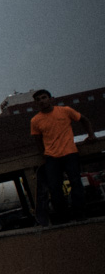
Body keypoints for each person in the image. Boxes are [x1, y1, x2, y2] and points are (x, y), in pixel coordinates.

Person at [30, 89, 96, 223]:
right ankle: (63, 217)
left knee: (76, 183)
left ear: (51, 99)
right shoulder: (35, 120)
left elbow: (84, 119)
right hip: (51, 157)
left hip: (70, 153)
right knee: (55, 188)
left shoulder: (65, 111)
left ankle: (80, 214)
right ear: (36, 103)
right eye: (38, 100)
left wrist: (91, 135)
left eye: (44, 98)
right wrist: (44, 154)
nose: (42, 101)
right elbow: (38, 140)